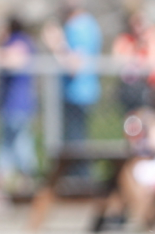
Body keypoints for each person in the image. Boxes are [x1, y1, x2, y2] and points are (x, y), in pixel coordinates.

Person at [0, 16, 37, 198]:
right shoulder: (7, 45)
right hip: (7, 105)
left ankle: (23, 182)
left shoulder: (19, 41)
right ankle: (7, 184)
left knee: (17, 145)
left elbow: (16, 60)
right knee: (10, 145)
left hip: (19, 105)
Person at [43, 0, 102, 152]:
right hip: (70, 94)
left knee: (75, 146)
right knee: (71, 143)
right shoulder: (73, 25)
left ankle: (79, 175)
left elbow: (74, 66)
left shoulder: (80, 26)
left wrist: (56, 45)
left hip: (78, 95)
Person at [112, 1, 155, 114]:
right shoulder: (125, 39)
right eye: (135, 23)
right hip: (131, 90)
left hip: (153, 89)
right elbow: (118, 62)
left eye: (140, 22)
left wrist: (145, 45)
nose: (138, 27)